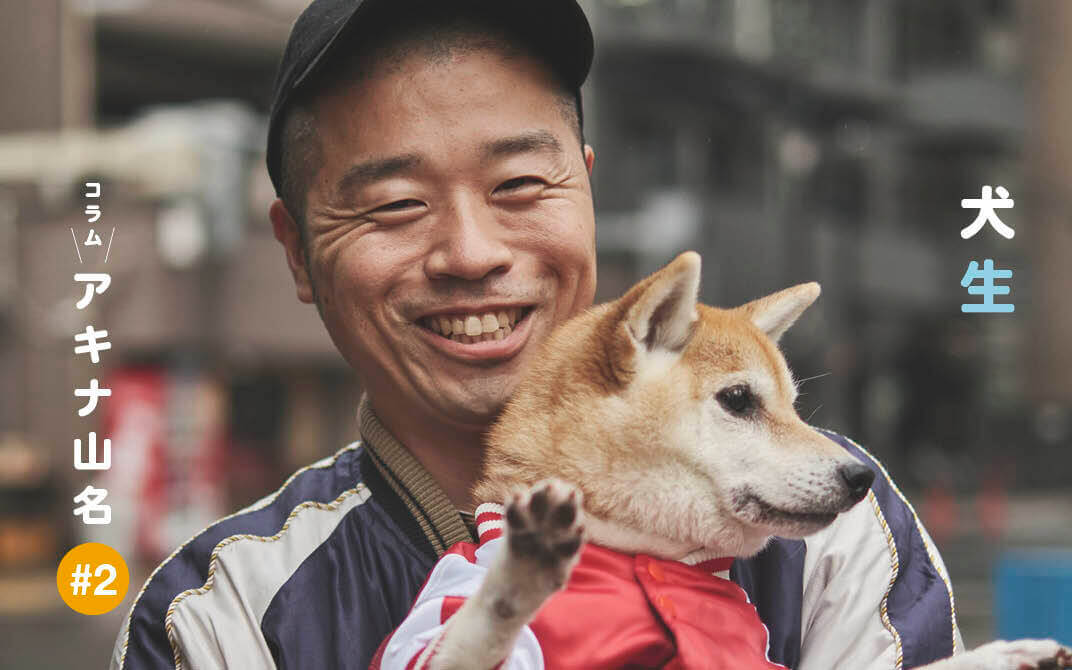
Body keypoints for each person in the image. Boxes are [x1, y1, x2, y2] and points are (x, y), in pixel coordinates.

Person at [111, 1, 960, 668]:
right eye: (396, 204)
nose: (471, 253)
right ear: (298, 251)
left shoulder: (832, 526)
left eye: (518, 183)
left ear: (585, 189)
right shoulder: (215, 614)